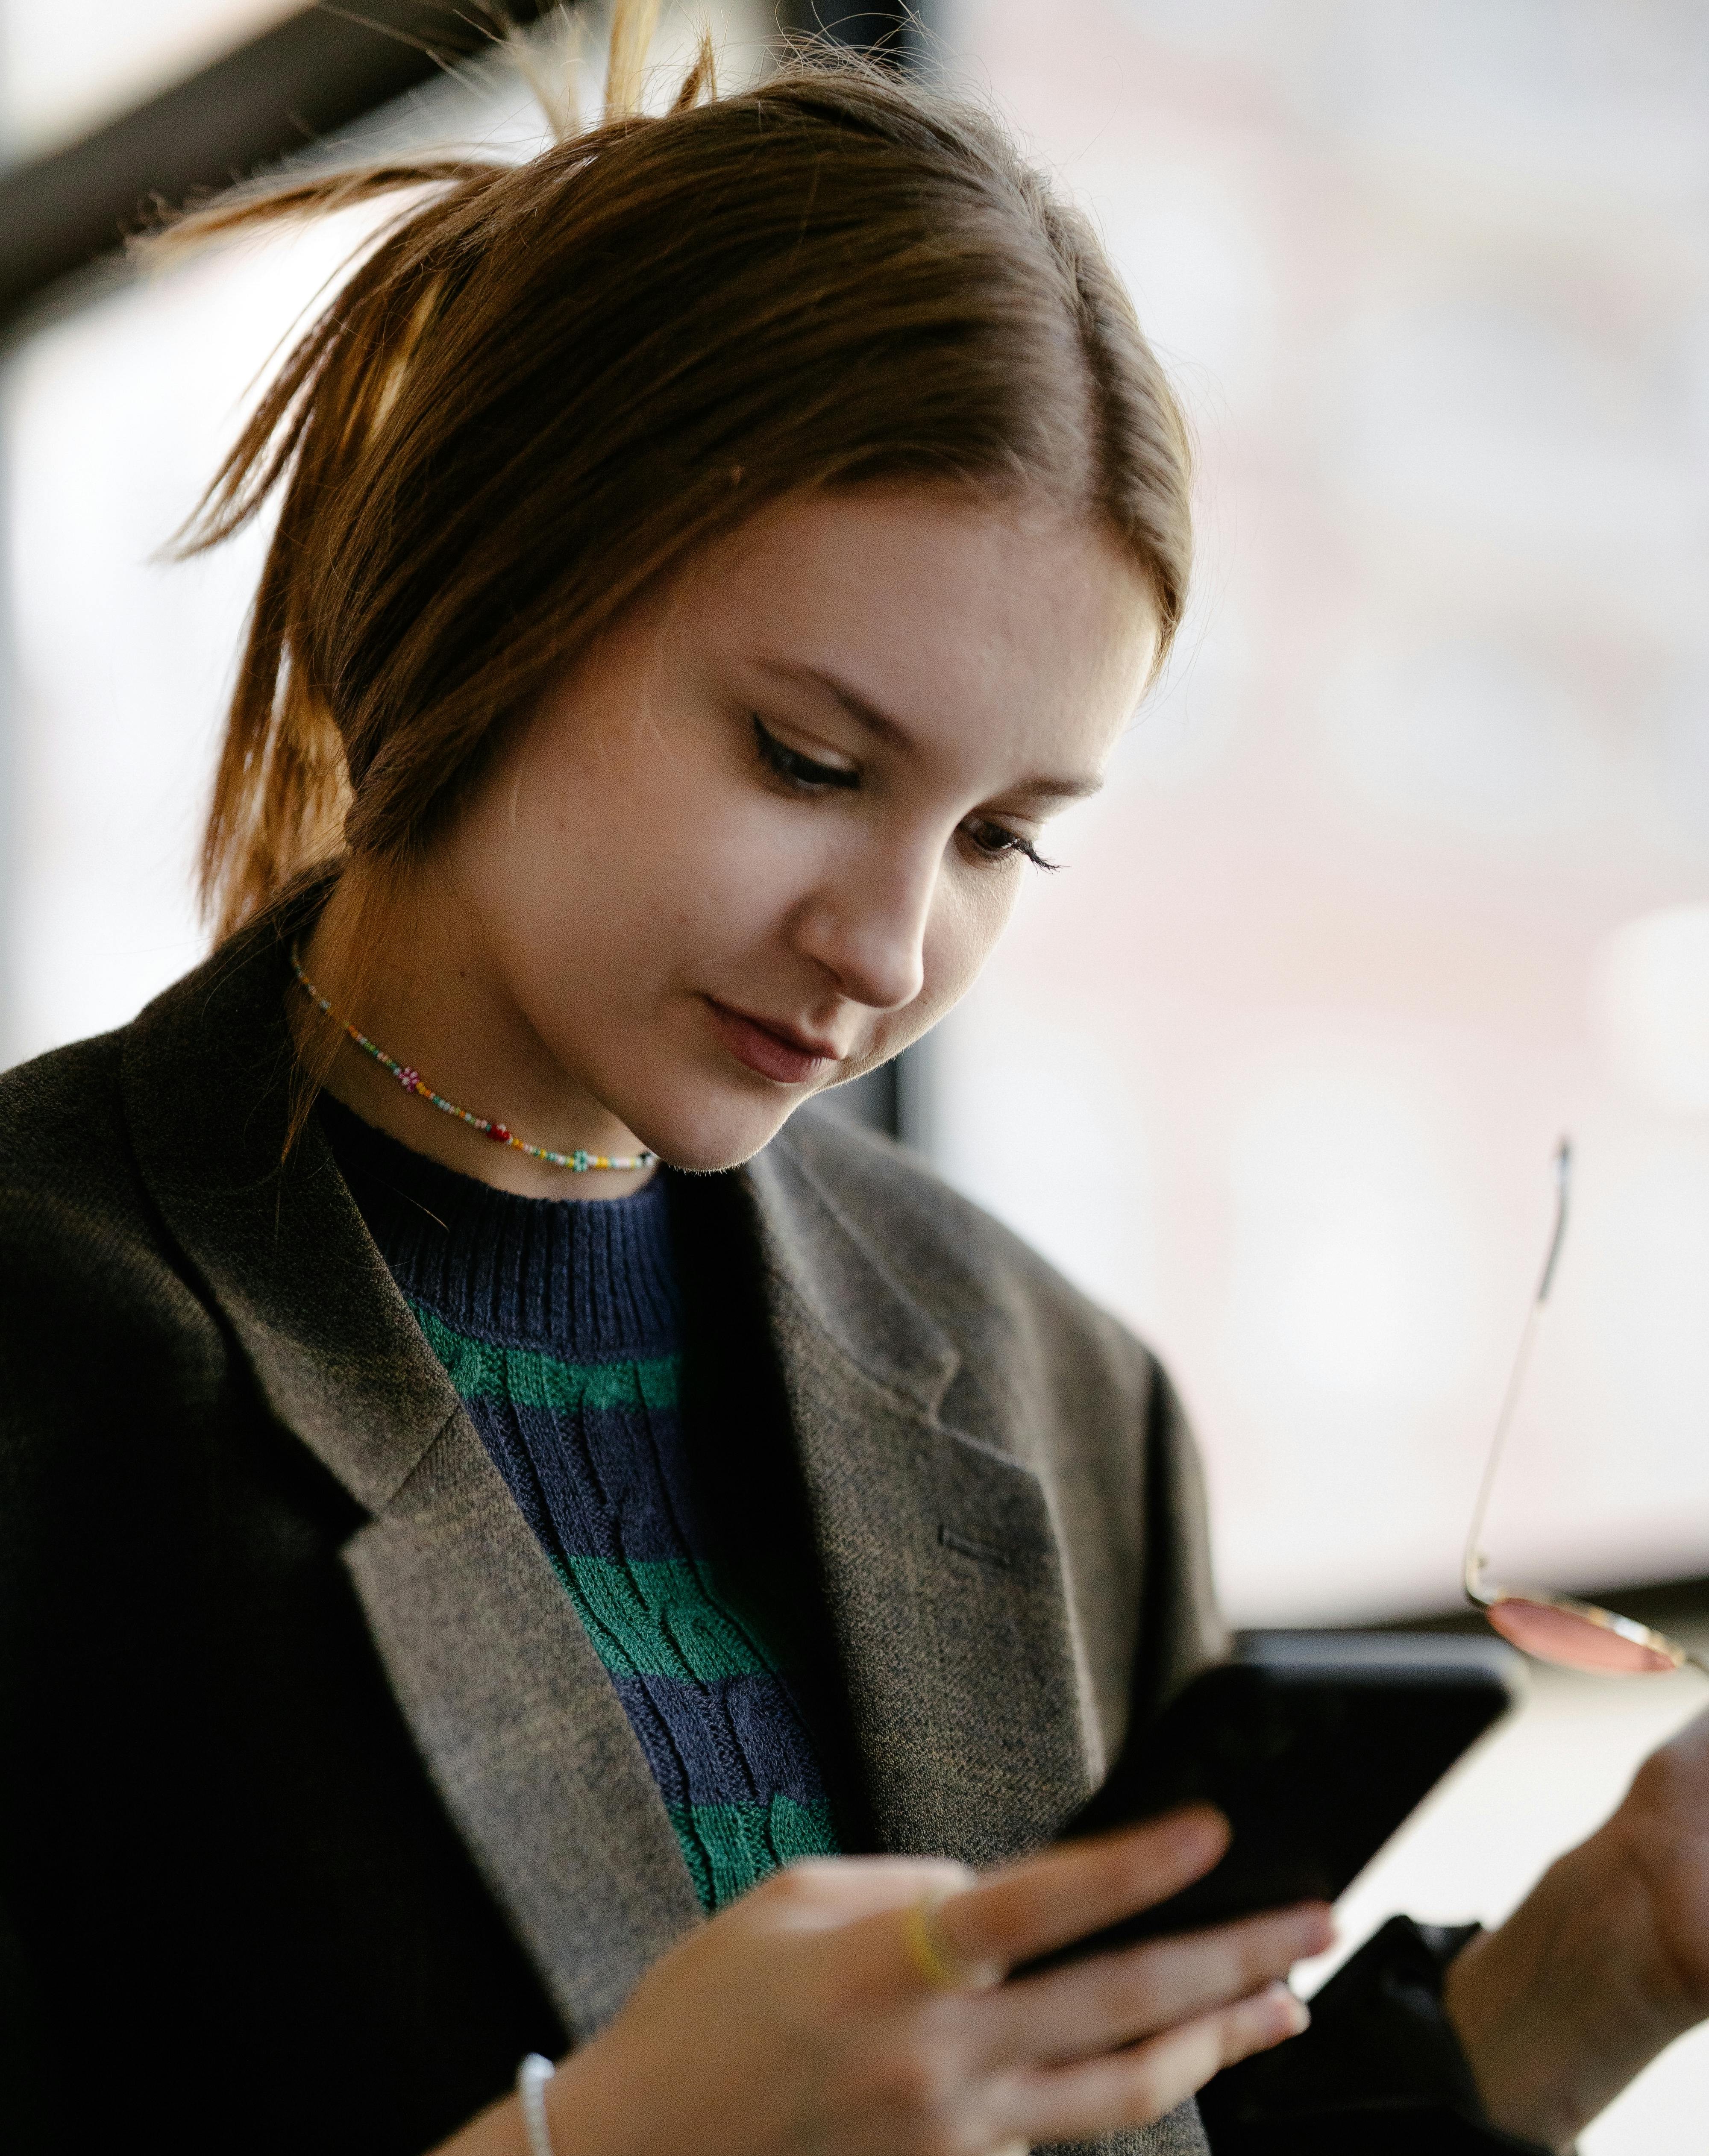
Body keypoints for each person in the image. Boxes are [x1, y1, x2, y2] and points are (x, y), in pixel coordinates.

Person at [3, 17, 1709, 2156]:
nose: (894, 948)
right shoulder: (49, 1347)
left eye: (1004, 835)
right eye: (809, 762)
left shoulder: (1052, 1395)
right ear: (478, 596)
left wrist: (1621, 1942)